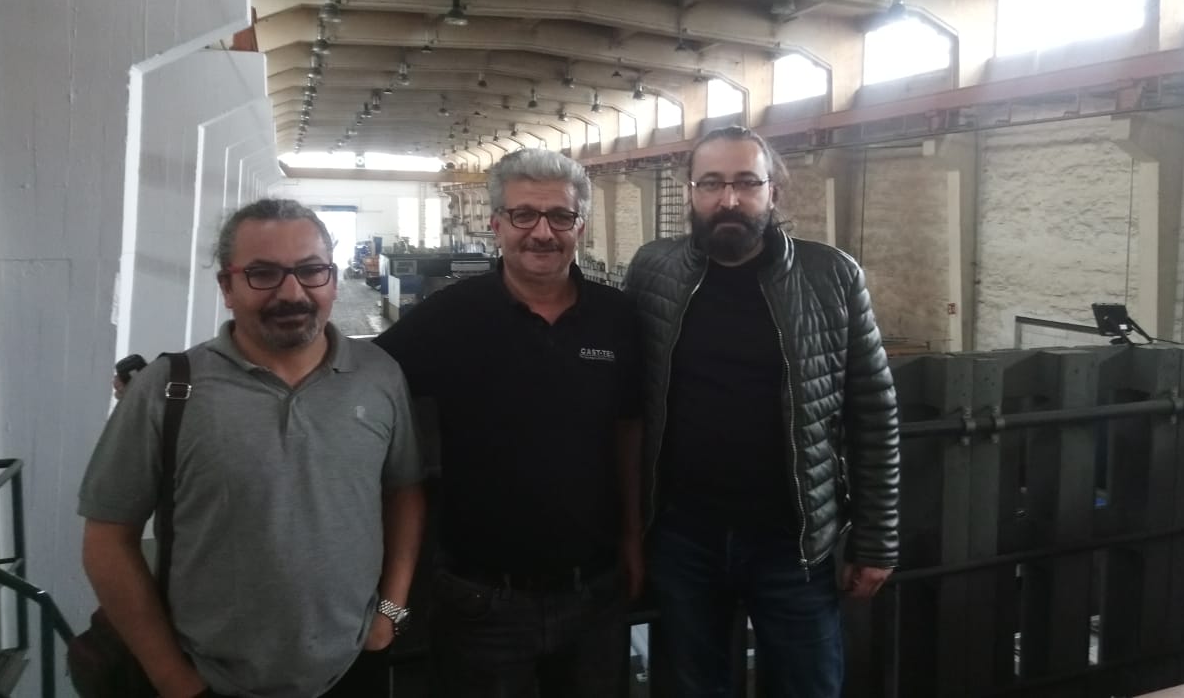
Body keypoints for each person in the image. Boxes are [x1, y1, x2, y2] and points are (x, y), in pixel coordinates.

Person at [78, 198, 427, 698]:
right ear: (227, 286)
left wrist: (388, 615)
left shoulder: (378, 376)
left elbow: (403, 492)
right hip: (209, 678)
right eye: (263, 274)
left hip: (352, 665)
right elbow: (108, 540)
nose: (292, 293)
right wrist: (173, 678)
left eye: (311, 271)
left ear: (331, 279)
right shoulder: (169, 389)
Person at [625, 125, 901, 698]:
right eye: (712, 183)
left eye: (747, 183)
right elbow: (626, 400)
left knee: (808, 686)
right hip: (683, 537)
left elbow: (873, 415)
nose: (729, 199)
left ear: (774, 191)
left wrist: (877, 540)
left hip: (794, 542)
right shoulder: (651, 270)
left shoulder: (833, 276)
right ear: (690, 191)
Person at [373, 149, 642, 697]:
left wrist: (634, 539)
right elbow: (361, 384)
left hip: (594, 593)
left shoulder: (616, 318)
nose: (542, 232)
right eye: (524, 215)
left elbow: (628, 432)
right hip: (480, 602)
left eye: (560, 216)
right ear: (497, 225)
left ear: (580, 227)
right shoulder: (448, 317)